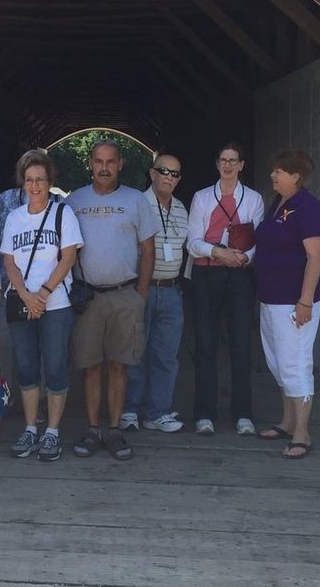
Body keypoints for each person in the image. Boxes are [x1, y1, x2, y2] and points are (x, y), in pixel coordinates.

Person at [66, 140, 158, 461]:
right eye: (99, 161)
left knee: (119, 365)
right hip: (88, 295)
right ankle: (93, 430)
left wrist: (140, 295)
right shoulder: (74, 201)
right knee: (90, 366)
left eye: (111, 162)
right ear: (90, 163)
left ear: (120, 164)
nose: (104, 168)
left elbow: (148, 250)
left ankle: (115, 431)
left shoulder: (136, 200)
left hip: (124, 293)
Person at [0, 151, 82, 462]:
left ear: (50, 183)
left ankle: (53, 431)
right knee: (27, 367)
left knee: (56, 366)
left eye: (41, 180)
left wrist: (43, 294)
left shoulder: (63, 214)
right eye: (30, 180)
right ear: (24, 183)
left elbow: (69, 257)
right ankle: (31, 427)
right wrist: (25, 295)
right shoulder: (14, 217)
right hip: (22, 303)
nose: (35, 185)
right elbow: (8, 260)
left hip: (56, 303)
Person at [253, 149, 320, 460]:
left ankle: (302, 433)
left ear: (296, 176)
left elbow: (315, 257)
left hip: (293, 302)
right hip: (270, 298)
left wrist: (305, 301)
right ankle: (286, 422)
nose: (273, 175)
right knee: (278, 362)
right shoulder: (279, 204)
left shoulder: (309, 208)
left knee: (296, 364)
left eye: (279, 172)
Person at [186, 142, 265, 436]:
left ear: (242, 165)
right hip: (208, 273)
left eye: (233, 161)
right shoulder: (202, 197)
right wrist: (218, 253)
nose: (228, 166)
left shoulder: (254, 199)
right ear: (217, 164)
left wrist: (245, 257)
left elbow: (258, 239)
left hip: (241, 275)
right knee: (205, 344)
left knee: (241, 344)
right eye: (223, 160)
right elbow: (192, 241)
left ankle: (243, 412)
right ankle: (204, 412)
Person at [120, 151, 188, 433]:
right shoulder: (137, 204)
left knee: (166, 355)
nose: (168, 177)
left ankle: (157, 412)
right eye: (164, 171)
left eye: (174, 173)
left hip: (171, 290)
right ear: (152, 173)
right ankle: (129, 410)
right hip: (142, 287)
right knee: (135, 351)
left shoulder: (182, 208)